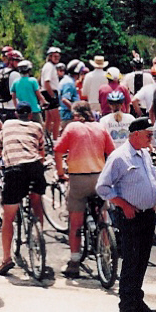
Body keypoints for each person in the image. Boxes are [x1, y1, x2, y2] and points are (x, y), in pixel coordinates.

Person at [96, 117, 156, 312]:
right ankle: (126, 308)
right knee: (131, 261)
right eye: (148, 134)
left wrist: (152, 201)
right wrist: (123, 204)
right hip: (130, 217)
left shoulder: (144, 154)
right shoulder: (119, 157)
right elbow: (103, 187)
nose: (151, 138)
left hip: (147, 215)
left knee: (142, 260)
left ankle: (137, 300)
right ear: (135, 135)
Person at [54, 102, 115, 277]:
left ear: (75, 115)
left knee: (75, 224)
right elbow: (111, 152)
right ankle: (106, 244)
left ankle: (74, 263)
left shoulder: (72, 127)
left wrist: (60, 173)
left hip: (78, 179)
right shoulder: (100, 127)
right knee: (103, 213)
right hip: (99, 177)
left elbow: (58, 150)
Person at [0, 101, 47, 276]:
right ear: (30, 115)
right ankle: (38, 234)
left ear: (16, 114)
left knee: (8, 217)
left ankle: (6, 259)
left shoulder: (7, 125)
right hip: (34, 167)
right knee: (37, 201)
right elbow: (41, 154)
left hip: (14, 170)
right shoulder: (37, 127)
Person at [40, 46, 63, 140]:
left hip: (47, 93)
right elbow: (46, 82)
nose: (57, 58)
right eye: (54, 56)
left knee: (48, 119)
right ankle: (55, 140)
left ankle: (46, 139)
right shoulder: (49, 67)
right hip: (50, 93)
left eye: (58, 56)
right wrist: (53, 96)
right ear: (50, 56)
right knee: (57, 119)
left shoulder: (49, 66)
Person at [0, 50, 22, 121]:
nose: (19, 63)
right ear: (10, 61)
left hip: (1, 107)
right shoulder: (15, 74)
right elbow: (18, 94)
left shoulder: (1, 72)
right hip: (12, 109)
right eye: (17, 61)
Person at [59, 61, 84, 131]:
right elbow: (65, 99)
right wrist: (76, 112)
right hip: (69, 118)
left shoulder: (66, 80)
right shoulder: (69, 83)